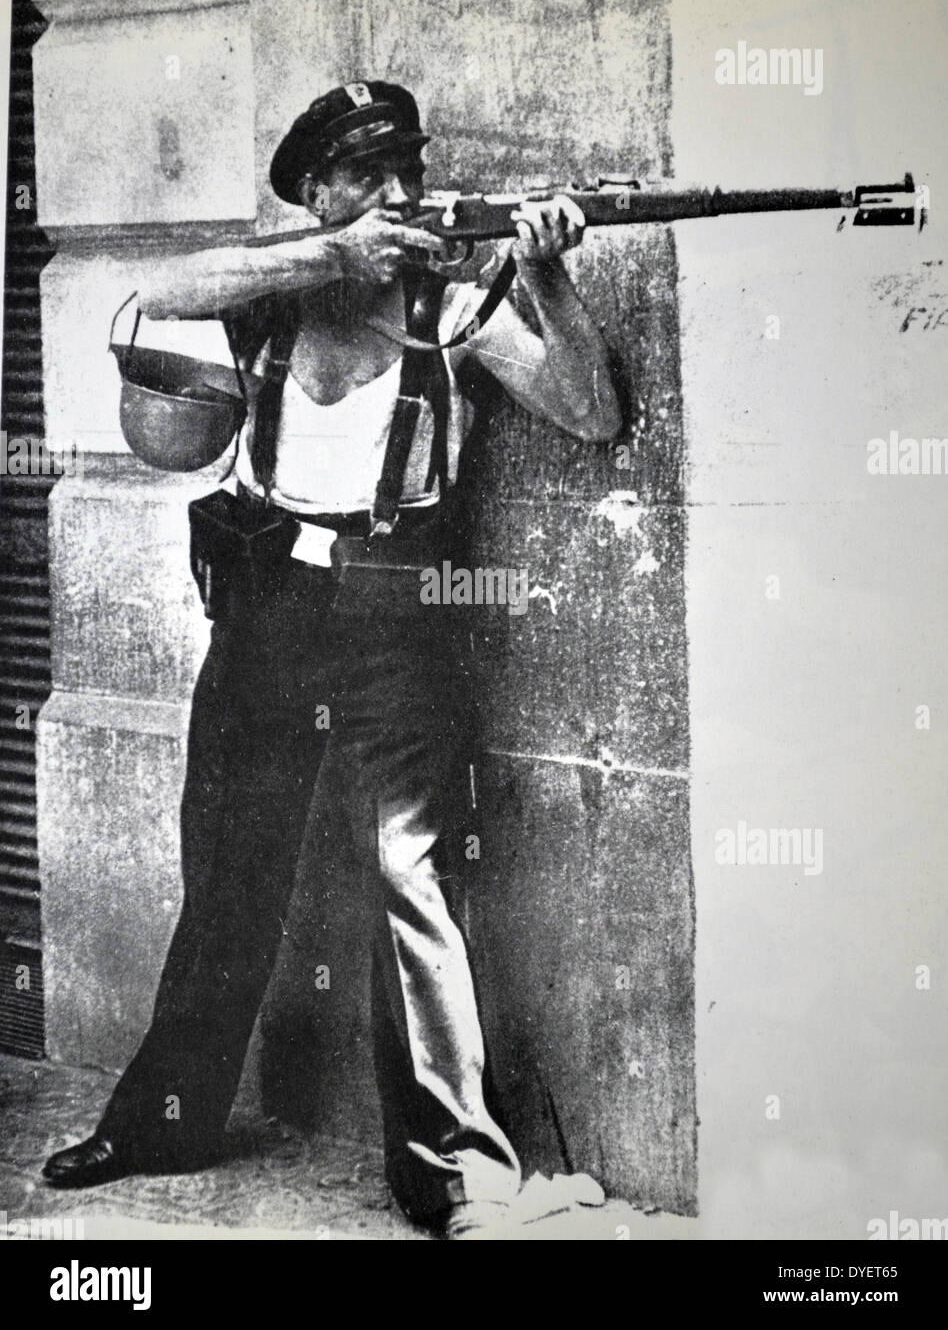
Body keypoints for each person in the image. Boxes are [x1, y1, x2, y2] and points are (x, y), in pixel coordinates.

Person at [42, 80, 621, 1238]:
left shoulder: (458, 294)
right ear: (320, 191)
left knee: (417, 890)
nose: (400, 193)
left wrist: (543, 269)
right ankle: (162, 1119)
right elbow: (160, 290)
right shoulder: (280, 285)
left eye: (407, 168)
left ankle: (453, 1173)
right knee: (229, 871)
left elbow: (594, 414)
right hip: (263, 602)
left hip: (397, 612)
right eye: (368, 174)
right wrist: (329, 257)